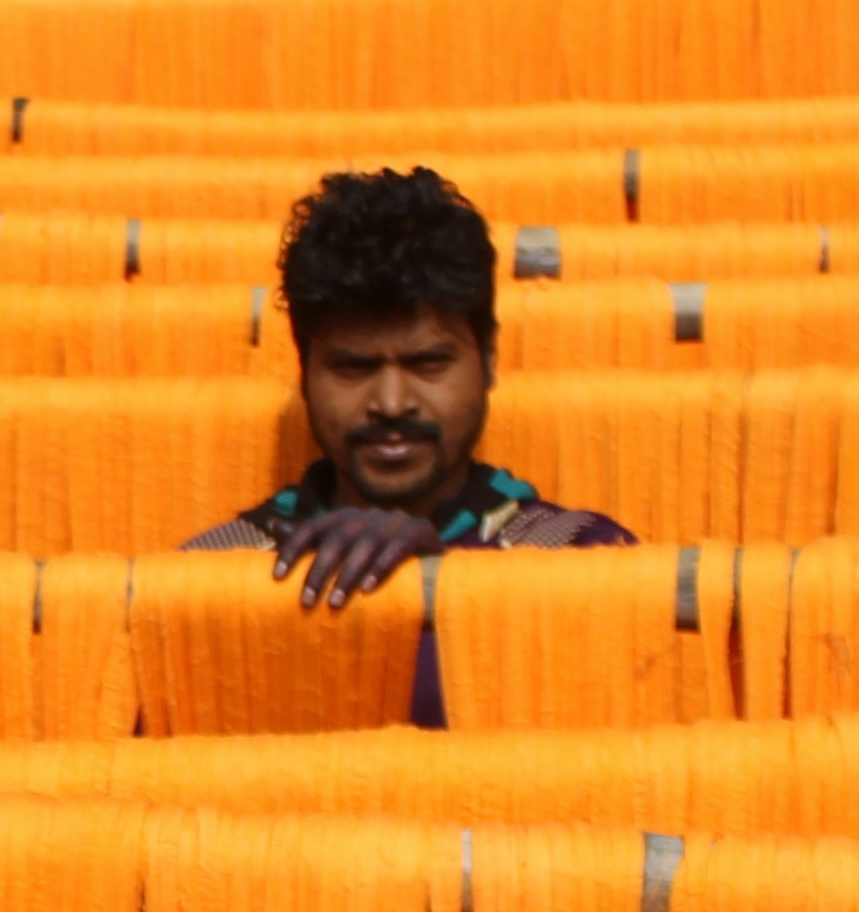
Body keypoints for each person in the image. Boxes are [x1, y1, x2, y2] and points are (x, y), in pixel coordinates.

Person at [191, 164, 632, 722]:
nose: (392, 402)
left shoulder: (587, 561)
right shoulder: (211, 577)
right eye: (353, 367)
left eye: (428, 362)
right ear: (304, 372)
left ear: (489, 359)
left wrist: (448, 587)